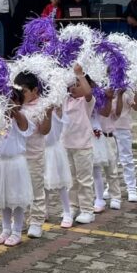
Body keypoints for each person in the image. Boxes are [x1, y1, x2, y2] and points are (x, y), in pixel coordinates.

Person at [0, 72, 40, 246]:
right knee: (5, 199)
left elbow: (24, 127)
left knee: (17, 199)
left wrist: (15, 111)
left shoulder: (23, 116)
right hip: (0, 163)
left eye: (13, 100)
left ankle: (17, 231)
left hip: (16, 163)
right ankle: (5, 229)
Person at [61, 64, 96, 224]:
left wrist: (80, 74)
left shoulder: (86, 101)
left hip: (83, 146)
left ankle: (87, 209)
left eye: (78, 84)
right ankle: (72, 207)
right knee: (71, 180)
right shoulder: (66, 100)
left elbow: (88, 92)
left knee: (84, 179)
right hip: (66, 145)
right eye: (72, 84)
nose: (74, 88)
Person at [110, 89, 137, 203]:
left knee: (126, 158)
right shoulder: (107, 88)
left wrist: (135, 93)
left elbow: (136, 107)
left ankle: (131, 188)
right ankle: (111, 187)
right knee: (111, 160)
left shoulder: (127, 90)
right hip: (109, 128)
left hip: (123, 128)